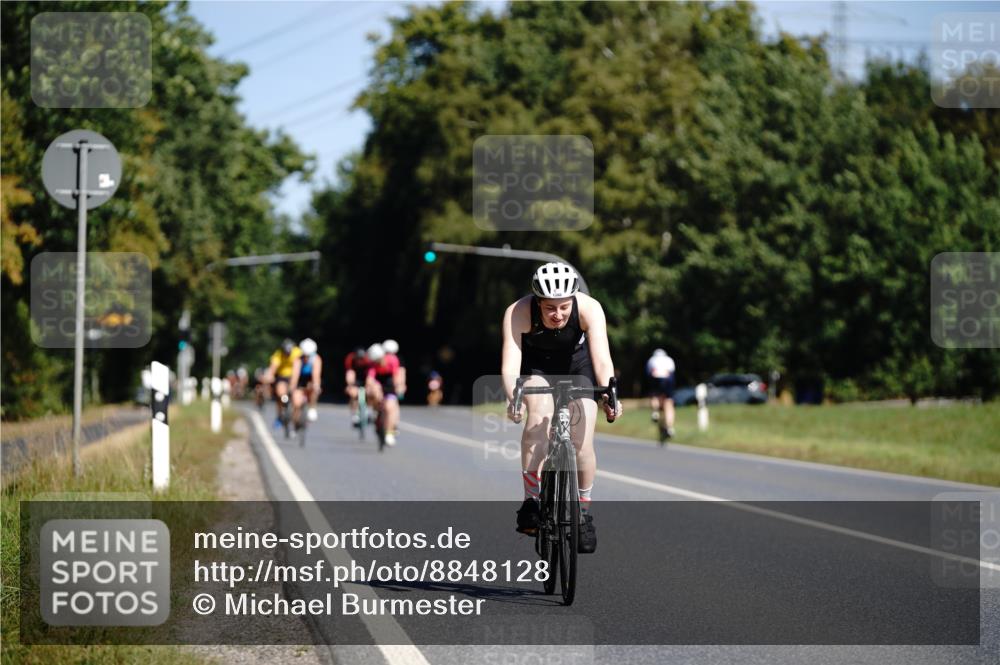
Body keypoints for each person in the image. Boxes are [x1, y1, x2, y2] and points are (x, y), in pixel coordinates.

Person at [501, 262, 622, 554]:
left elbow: (602, 359)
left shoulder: (590, 309)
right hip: (537, 368)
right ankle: (532, 500)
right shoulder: (518, 311)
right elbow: (510, 362)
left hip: (577, 366)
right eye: (550, 308)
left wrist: (610, 395)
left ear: (574, 300)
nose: (558, 315)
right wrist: (512, 397)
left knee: (582, 440)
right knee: (537, 420)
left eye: (564, 307)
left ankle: (582, 513)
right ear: (538, 303)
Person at [366, 342, 406, 446]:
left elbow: (397, 376)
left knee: (390, 407)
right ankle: (375, 411)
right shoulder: (373, 365)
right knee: (373, 392)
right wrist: (374, 389)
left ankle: (389, 432)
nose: (378, 363)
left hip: (389, 383)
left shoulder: (392, 360)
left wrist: (399, 387)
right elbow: (370, 379)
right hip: (378, 383)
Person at [264, 338, 302, 428]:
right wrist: (269, 376)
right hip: (282, 377)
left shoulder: (297, 352)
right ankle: (280, 416)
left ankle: (296, 419)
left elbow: (297, 369)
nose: (287, 354)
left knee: (297, 400)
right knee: (281, 395)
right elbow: (273, 368)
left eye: (289, 352)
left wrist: (293, 384)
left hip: (294, 376)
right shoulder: (278, 355)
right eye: (285, 352)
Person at [646, 348, 676, 439]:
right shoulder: (669, 360)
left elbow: (648, 372)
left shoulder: (651, 360)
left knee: (654, 395)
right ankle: (669, 427)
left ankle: (655, 411)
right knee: (668, 403)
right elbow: (672, 373)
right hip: (668, 379)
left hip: (655, 378)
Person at [297, 338, 323, 422]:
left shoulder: (316, 359)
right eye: (304, 355)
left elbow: (316, 375)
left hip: (310, 379)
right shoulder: (297, 359)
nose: (306, 358)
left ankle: (312, 407)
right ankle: (295, 421)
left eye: (308, 356)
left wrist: (316, 386)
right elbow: (295, 376)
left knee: (314, 388)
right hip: (299, 379)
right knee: (296, 402)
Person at [343, 346, 369, 425]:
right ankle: (355, 413)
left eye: (361, 359)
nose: (359, 361)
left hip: (366, 376)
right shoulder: (350, 359)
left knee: (368, 392)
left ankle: (369, 409)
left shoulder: (368, 360)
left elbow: (371, 373)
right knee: (353, 394)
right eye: (358, 358)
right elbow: (349, 372)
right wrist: (350, 385)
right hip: (356, 377)